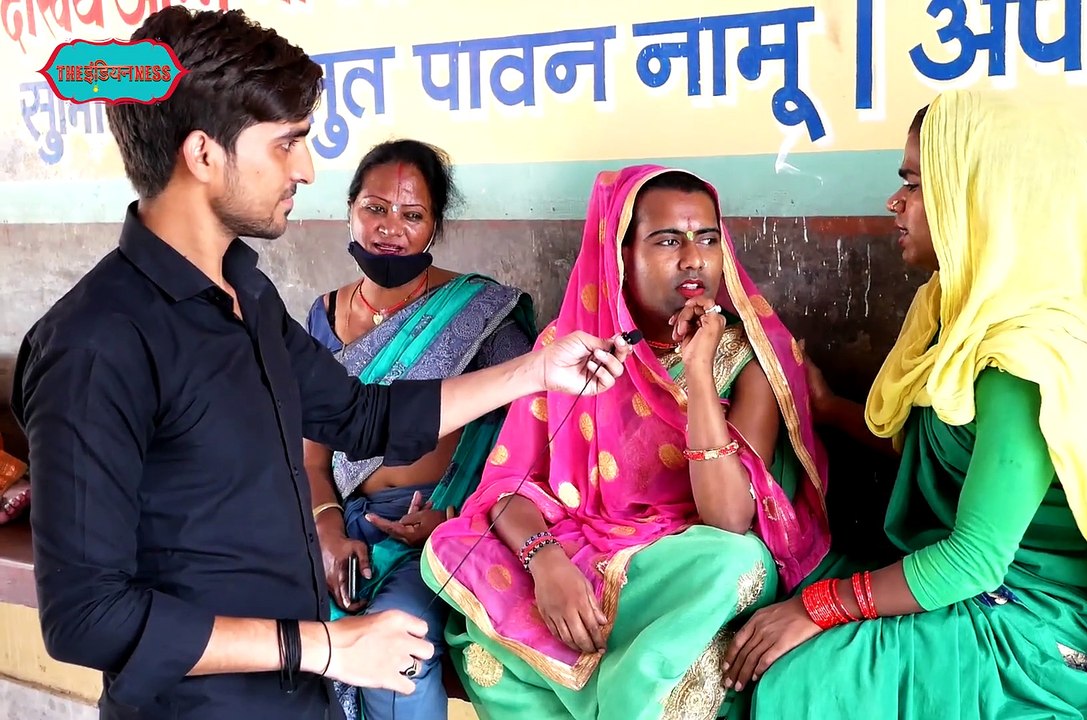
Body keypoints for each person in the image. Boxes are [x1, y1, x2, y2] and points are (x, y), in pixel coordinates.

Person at [9, 8, 630, 720]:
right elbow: (88, 617)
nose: (305, 168)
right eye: (286, 145)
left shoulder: (247, 293)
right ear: (204, 154)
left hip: (300, 697)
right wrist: (327, 649)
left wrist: (536, 371)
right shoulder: (97, 343)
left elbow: (360, 415)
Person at [723, 90, 1087, 719]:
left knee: (801, 678)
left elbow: (973, 561)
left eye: (915, 183)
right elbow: (921, 443)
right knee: (763, 600)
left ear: (983, 199)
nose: (894, 203)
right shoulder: (955, 316)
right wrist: (821, 405)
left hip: (1029, 622)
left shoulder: (1025, 362)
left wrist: (815, 610)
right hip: (970, 584)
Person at [420, 166, 831, 719]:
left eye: (708, 238)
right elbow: (509, 486)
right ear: (620, 254)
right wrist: (548, 566)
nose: (693, 259)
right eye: (667, 240)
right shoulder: (569, 351)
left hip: (677, 568)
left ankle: (617, 682)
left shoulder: (748, 358)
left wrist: (700, 371)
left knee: (739, 561)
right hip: (578, 549)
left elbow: (730, 518)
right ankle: (614, 669)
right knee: (455, 560)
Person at [303, 139, 537, 720]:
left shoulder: (480, 314)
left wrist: (456, 521)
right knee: (282, 638)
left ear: (434, 227)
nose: (390, 229)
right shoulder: (322, 316)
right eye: (375, 209)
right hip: (331, 523)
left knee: (400, 658)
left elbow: (534, 438)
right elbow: (308, 454)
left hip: (436, 535)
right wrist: (328, 532)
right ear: (350, 209)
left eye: (413, 215)